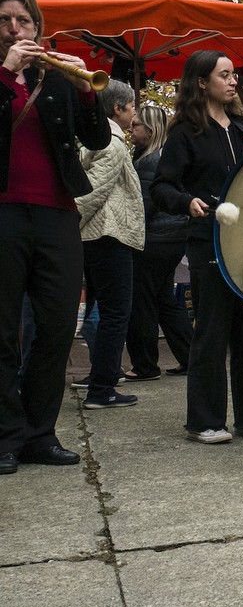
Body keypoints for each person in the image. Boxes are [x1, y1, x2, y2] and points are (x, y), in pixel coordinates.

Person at [0, 0, 111, 474]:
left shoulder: (55, 77)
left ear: (37, 25)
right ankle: (6, 436)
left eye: (22, 20)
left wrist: (87, 91)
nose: (14, 29)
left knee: (57, 325)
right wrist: (6, 72)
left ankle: (39, 433)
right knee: (3, 332)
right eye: (4, 20)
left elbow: (98, 138)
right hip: (3, 211)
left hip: (57, 213)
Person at [152, 50, 243, 444]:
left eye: (233, 75)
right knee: (212, 330)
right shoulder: (185, 133)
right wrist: (186, 202)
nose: (233, 82)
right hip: (208, 241)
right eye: (224, 75)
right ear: (202, 82)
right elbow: (161, 187)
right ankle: (204, 421)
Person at [76, 78, 145, 409]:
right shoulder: (113, 143)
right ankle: (102, 388)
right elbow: (89, 192)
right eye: (131, 106)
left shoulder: (93, 141)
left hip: (96, 237)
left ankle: (98, 382)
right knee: (117, 313)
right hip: (108, 235)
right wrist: (67, 225)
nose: (134, 113)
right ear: (117, 108)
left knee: (102, 312)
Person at [126, 104, 192, 381]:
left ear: (151, 129)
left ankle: (145, 365)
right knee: (165, 300)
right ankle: (191, 357)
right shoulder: (155, 156)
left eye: (136, 126)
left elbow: (145, 205)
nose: (131, 130)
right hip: (170, 238)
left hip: (154, 239)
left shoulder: (150, 160)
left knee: (141, 302)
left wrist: (129, 233)